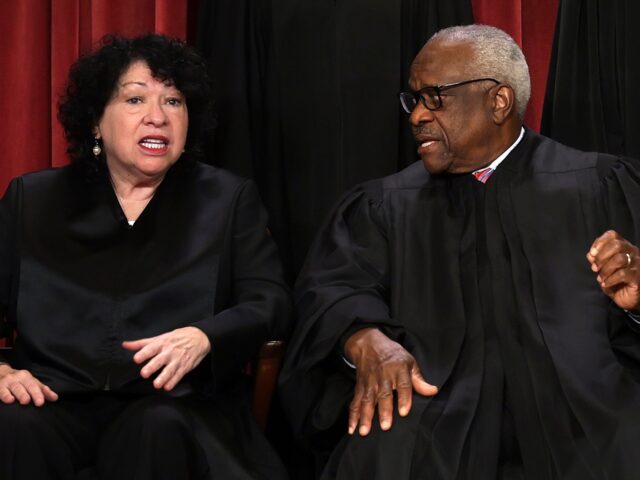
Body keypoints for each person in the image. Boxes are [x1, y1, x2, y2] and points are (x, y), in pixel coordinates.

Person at [279, 24, 640, 479]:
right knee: (380, 453)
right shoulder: (385, 206)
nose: (416, 117)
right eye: (413, 100)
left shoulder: (600, 186)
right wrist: (365, 339)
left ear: (499, 102)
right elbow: (332, 291)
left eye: (435, 96)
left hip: (584, 406)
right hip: (435, 409)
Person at [0, 34, 291, 480]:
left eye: (173, 102)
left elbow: (269, 301)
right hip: (53, 397)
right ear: (96, 122)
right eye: (135, 99)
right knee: (12, 426)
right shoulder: (33, 199)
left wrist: (205, 335)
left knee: (156, 429)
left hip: (173, 404)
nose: (157, 117)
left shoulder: (227, 200)